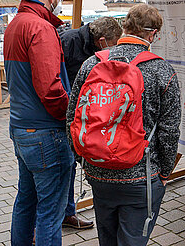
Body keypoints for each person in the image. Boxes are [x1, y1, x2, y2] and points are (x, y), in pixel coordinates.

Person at [66, 4, 181, 245]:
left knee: (106, 239)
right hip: (141, 175)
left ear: (125, 27)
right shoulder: (161, 70)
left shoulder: (91, 64)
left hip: (98, 172)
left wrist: (85, 159)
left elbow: (72, 118)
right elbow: (169, 130)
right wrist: (164, 172)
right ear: (153, 35)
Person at [4, 0, 73, 246]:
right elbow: (51, 89)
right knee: (50, 213)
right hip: (46, 132)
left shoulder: (16, 22)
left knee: (26, 201)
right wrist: (71, 116)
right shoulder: (40, 28)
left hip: (21, 128)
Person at [59, 16, 122, 229]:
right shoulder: (68, 41)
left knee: (71, 166)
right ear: (102, 40)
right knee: (65, 165)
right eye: (113, 44)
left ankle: (68, 213)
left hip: (88, 114)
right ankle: (58, 215)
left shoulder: (96, 45)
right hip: (66, 113)